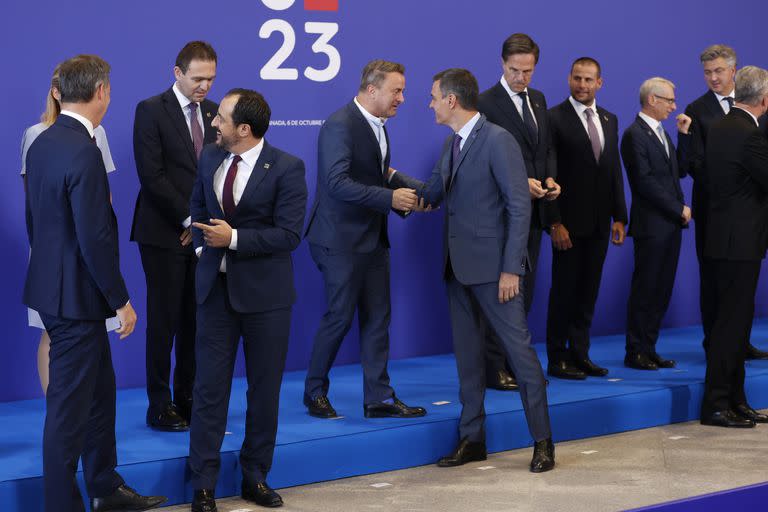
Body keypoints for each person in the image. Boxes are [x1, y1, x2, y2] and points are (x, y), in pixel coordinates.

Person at [23, 54, 166, 512]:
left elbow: (35, 223)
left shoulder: (42, 141)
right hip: (77, 299)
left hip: (57, 290)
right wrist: (121, 300)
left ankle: (104, 488)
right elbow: (94, 236)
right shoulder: (83, 148)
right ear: (101, 92)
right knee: (67, 416)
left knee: (100, 394)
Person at [413, 68, 553, 472]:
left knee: (521, 357)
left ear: (452, 101)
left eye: (434, 97)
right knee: (468, 359)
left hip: (497, 274)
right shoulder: (451, 143)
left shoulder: (498, 140)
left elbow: (518, 206)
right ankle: (472, 439)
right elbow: (433, 192)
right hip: (456, 270)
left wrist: (513, 269)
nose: (431, 103)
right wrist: (389, 182)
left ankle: (543, 441)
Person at [188, 88, 307, 511]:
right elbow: (198, 207)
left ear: (243, 129)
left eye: (220, 118)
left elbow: (289, 235)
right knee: (208, 391)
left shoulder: (288, 169)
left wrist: (233, 239)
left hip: (266, 299)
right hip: (214, 294)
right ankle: (202, 485)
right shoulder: (209, 157)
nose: (212, 124)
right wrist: (204, 250)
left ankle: (255, 476)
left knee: (264, 391)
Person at [302, 60, 427, 419]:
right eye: (397, 91)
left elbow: (377, 173)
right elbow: (336, 183)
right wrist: (392, 199)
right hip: (338, 241)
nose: (402, 98)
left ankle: (379, 398)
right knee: (339, 317)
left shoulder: (378, 125)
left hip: (372, 240)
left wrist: (416, 195)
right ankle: (314, 393)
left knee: (377, 319)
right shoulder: (339, 125)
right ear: (372, 90)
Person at [131, 41, 218, 431]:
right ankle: (159, 403)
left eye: (211, 79)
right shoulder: (150, 110)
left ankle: (188, 396)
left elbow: (218, 174)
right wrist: (187, 220)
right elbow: (152, 177)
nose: (204, 86)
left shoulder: (216, 114)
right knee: (164, 322)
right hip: (163, 233)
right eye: (198, 78)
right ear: (177, 72)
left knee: (194, 320)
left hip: (201, 233)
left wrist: (199, 224)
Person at [20, 64, 119, 394]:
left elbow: (99, 197)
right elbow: (34, 204)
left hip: (85, 255)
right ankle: (60, 407)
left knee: (91, 346)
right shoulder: (36, 136)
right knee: (57, 337)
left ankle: (78, 420)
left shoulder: (96, 133)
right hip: (57, 256)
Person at [477, 33, 560, 390]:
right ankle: (493, 367)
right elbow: (479, 161)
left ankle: (513, 363)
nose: (521, 78)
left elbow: (546, 149)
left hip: (535, 215)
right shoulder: (485, 102)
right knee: (503, 295)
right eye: (514, 70)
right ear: (502, 63)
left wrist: (550, 179)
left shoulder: (538, 100)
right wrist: (518, 182)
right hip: (502, 217)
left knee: (524, 295)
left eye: (528, 71)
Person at [677, 44, 768, 360]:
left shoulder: (758, 107)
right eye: (707, 72)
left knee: (741, 286)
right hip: (713, 210)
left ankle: (739, 342)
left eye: (718, 71)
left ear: (734, 71)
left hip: (749, 212)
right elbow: (695, 163)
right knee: (713, 280)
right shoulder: (697, 109)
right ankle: (714, 342)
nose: (713, 78)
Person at [545, 57, 628, 379]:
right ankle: (557, 358)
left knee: (588, 292)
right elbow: (547, 173)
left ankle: (580, 354)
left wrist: (619, 217)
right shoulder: (553, 118)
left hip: (599, 225)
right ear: (569, 79)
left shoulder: (609, 119)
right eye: (577, 78)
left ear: (599, 83)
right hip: (566, 225)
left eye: (588, 79)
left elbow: (612, 171)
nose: (582, 84)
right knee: (563, 292)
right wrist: (554, 222)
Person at [700, 66, 768, 428]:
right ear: (764, 99)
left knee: (734, 326)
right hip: (739, 243)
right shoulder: (749, 134)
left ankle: (735, 400)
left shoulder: (723, 126)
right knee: (731, 328)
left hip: (725, 240)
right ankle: (715, 405)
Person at [621, 78, 689, 370]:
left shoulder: (662, 133)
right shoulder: (634, 134)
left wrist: (683, 136)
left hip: (669, 225)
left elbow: (680, 172)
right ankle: (635, 350)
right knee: (646, 289)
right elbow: (644, 182)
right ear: (653, 100)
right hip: (652, 226)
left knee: (661, 290)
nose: (674, 107)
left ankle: (649, 347)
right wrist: (678, 208)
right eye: (669, 101)